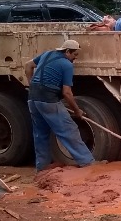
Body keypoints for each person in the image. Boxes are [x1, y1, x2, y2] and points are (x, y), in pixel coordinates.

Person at [25, 40, 96, 171]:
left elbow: (28, 65)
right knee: (68, 129)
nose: (75, 58)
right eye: (74, 54)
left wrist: (31, 85)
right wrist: (77, 111)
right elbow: (67, 93)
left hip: (33, 99)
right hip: (48, 100)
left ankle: (42, 167)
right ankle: (87, 162)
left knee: (40, 134)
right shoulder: (66, 65)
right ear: (67, 52)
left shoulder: (47, 54)